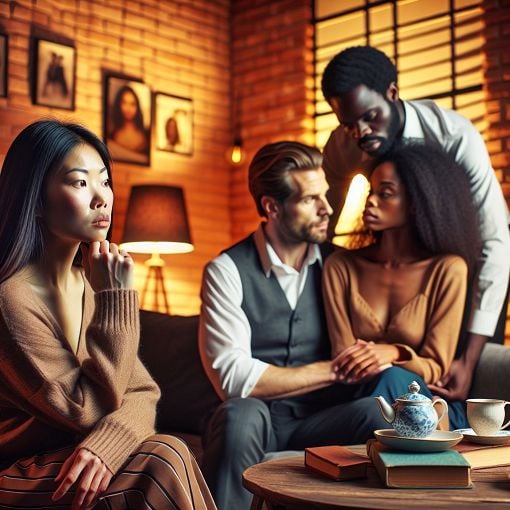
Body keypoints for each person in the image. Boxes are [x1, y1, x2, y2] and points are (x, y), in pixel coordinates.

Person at [0, 120, 216, 510]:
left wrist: (107, 446)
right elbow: (85, 411)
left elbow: (143, 392)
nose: (102, 198)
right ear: (35, 199)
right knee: (159, 460)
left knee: (166, 450)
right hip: (15, 471)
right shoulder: (11, 299)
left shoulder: (91, 284)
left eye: (105, 180)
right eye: (80, 183)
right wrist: (118, 294)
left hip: (70, 457)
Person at [199, 141, 388, 510]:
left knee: (377, 412)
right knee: (240, 412)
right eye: (310, 200)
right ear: (272, 206)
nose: (327, 209)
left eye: (325, 196)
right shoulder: (226, 270)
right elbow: (235, 379)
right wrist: (336, 369)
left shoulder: (341, 265)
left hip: (324, 418)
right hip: (260, 419)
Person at [321, 45, 510, 402]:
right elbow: (323, 223)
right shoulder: (341, 147)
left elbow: (495, 240)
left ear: (392, 93)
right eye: (348, 123)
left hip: (457, 270)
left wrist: (468, 360)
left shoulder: (453, 135)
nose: (360, 131)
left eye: (370, 116)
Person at [323, 142, 481, 430]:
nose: (370, 201)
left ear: (415, 204)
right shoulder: (340, 266)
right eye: (371, 192)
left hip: (419, 399)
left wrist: (394, 352)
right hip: (357, 398)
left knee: (394, 379)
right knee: (388, 382)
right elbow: (344, 357)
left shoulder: (447, 269)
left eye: (385, 194)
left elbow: (436, 366)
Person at [108, 85, 149, 163]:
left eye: (132, 104)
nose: (128, 108)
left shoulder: (146, 135)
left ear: (137, 107)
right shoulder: (112, 134)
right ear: (119, 105)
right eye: (124, 103)